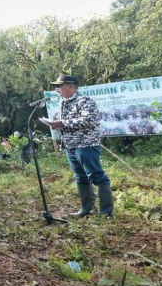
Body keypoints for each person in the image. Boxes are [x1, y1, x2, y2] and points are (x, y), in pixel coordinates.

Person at [48, 74, 114, 217]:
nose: (57, 89)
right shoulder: (64, 102)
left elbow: (89, 120)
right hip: (71, 145)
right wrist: (58, 125)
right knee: (80, 177)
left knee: (97, 176)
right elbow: (72, 123)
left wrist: (63, 123)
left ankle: (106, 212)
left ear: (71, 86)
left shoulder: (84, 100)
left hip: (86, 144)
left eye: (60, 86)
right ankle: (85, 209)